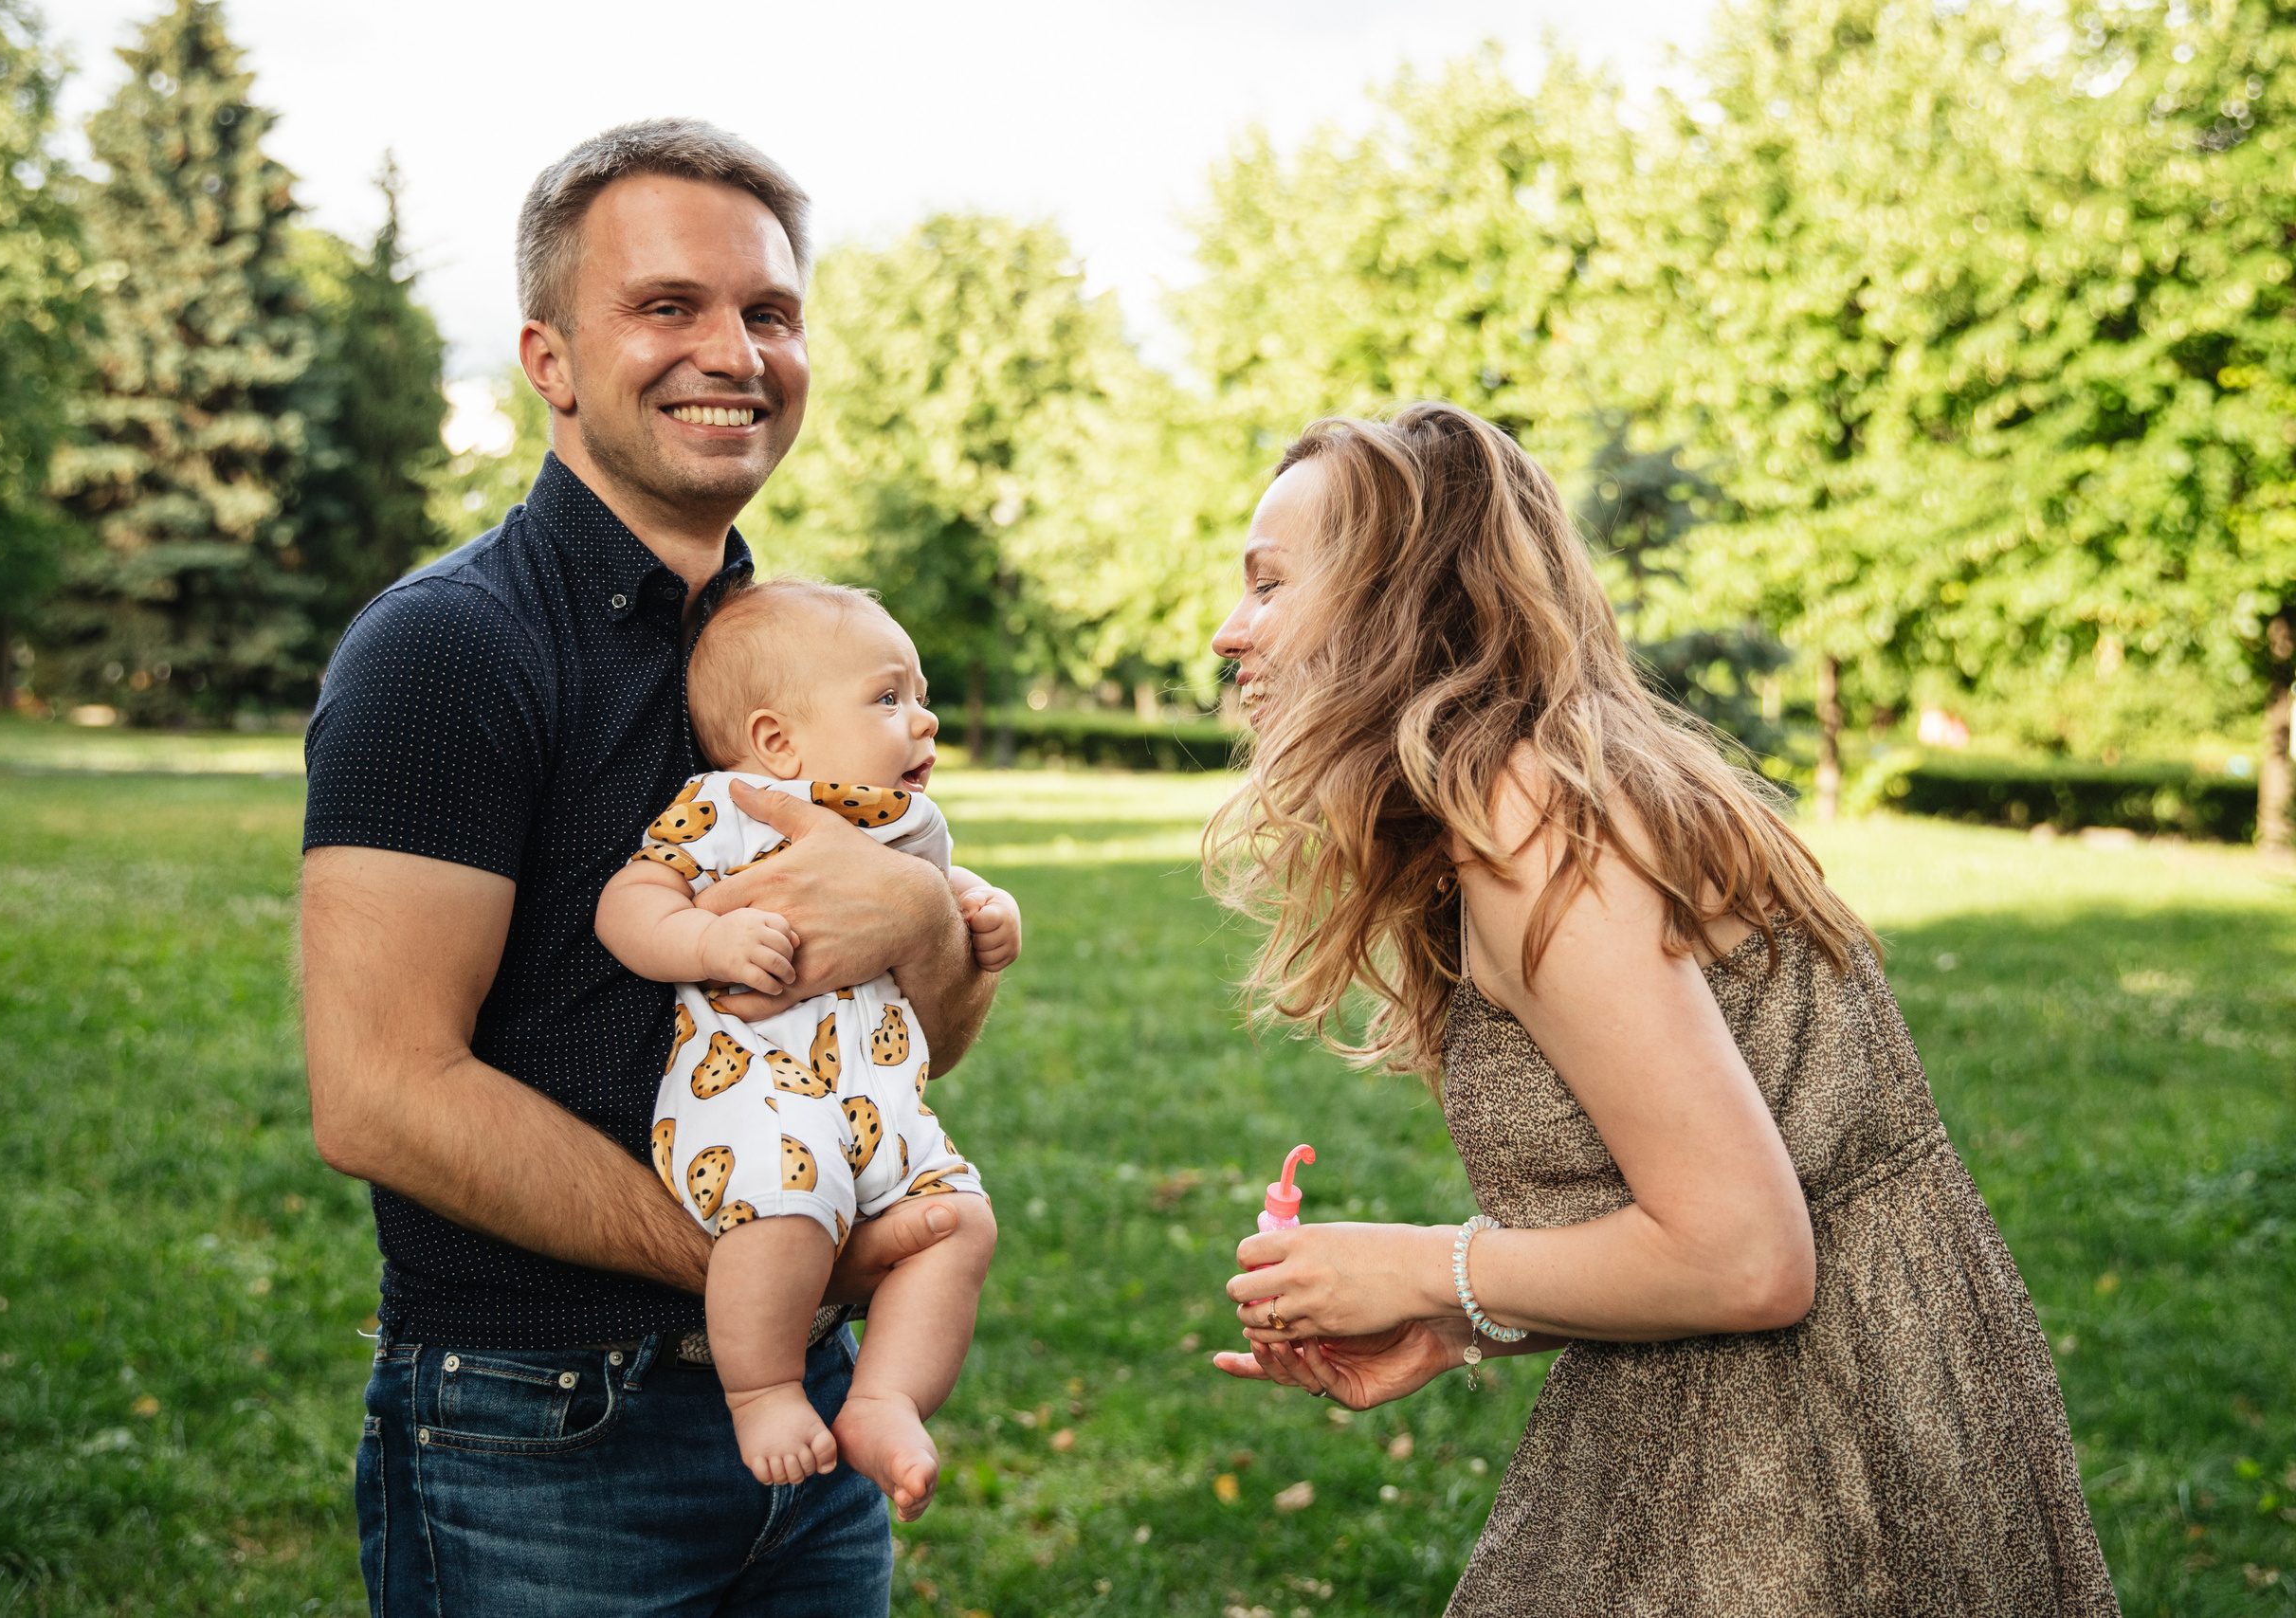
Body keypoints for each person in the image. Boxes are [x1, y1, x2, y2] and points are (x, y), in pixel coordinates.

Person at [1202, 402, 2119, 1615]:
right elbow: (1703, 1208)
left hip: (1786, 1469)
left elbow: (1747, 1257)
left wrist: (1428, 1264)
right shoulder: (1541, 789)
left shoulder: (1525, 817)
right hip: (1855, 1397)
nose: (1230, 632)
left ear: (1400, 603)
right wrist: (1461, 1323)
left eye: (1268, 586)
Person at [297, 120, 996, 1617]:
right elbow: (379, 1088)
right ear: (549, 358)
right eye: (667, 306)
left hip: (809, 1427)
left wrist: (928, 918)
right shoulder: (447, 649)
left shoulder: (809, 665)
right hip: (542, 1434)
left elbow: (912, 1038)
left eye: (769, 312)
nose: (732, 350)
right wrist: (754, 1261)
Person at [595, 580, 1014, 1520]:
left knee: (961, 1223)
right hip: (753, 1099)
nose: (925, 718)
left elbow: (938, 892)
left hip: (884, 1111)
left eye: (920, 693)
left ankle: (883, 1398)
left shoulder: (906, 824)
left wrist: (986, 911)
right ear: (779, 742)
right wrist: (703, 943)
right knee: (784, 1209)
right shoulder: (726, 806)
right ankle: (763, 1390)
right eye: (888, 697)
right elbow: (628, 903)